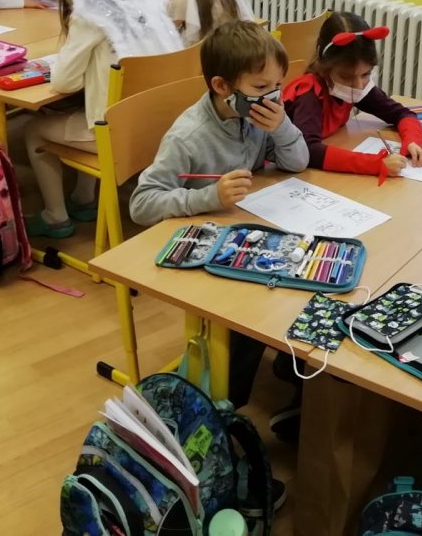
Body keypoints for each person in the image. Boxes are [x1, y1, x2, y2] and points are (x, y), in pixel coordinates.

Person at [129, 20, 309, 416]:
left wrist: (282, 128)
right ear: (222, 86)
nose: (271, 97)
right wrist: (208, 197)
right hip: (199, 243)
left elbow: (298, 162)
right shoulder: (188, 136)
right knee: (256, 302)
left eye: (277, 86)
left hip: (243, 230)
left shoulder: (257, 115)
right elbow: (141, 203)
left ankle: (295, 367)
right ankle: (222, 409)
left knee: (301, 269)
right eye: (260, 87)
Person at [21, 0, 133, 238]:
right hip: (147, 127)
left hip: (114, 135)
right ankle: (83, 199)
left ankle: (55, 217)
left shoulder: (89, 13)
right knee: (86, 109)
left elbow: (64, 82)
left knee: (32, 130)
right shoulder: (135, 2)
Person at [283, 11, 422, 182]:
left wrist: (412, 142)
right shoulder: (309, 95)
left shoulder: (353, 87)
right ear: (324, 68)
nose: (359, 85)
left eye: (366, 74)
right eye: (346, 77)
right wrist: (377, 164)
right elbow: (308, 150)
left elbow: (402, 114)